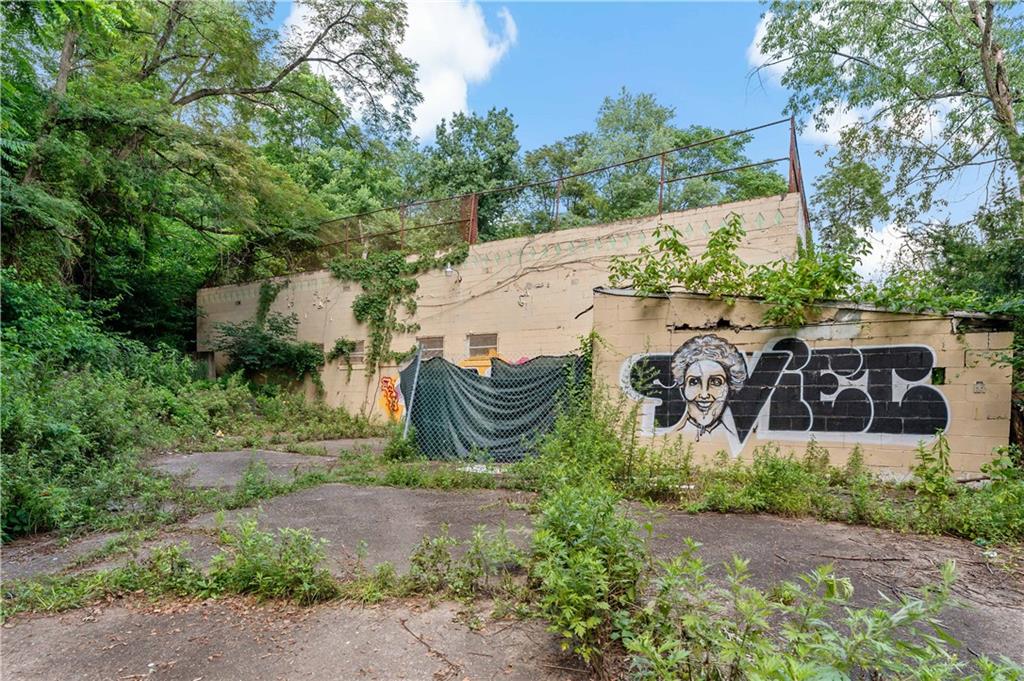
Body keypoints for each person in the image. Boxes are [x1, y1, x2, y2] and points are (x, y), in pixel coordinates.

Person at [670, 334, 747, 439]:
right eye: (694, 382)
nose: (704, 394)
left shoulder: (734, 440)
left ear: (729, 388)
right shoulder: (672, 439)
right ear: (683, 388)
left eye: (716, 382)